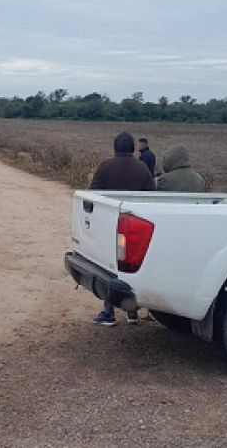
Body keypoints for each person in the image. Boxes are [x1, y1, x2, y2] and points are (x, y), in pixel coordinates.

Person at [88, 132, 154, 326]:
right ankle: (132, 312)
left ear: (115, 148)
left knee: (110, 268)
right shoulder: (142, 168)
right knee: (132, 268)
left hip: (110, 224)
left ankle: (108, 312)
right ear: (133, 148)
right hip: (136, 225)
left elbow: (94, 193)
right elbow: (152, 195)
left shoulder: (105, 166)